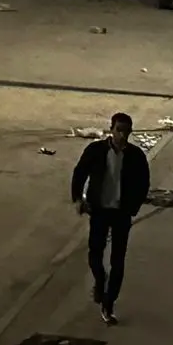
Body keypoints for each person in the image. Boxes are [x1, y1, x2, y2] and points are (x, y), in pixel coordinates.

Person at [70, 111, 149, 325]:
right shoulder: (95, 151)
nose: (122, 136)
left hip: (121, 213)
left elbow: (144, 183)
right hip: (100, 210)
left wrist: (133, 208)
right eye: (118, 130)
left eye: (126, 132)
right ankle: (99, 279)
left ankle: (109, 302)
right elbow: (80, 173)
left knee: (118, 260)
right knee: (95, 251)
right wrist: (79, 198)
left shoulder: (136, 156)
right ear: (111, 130)